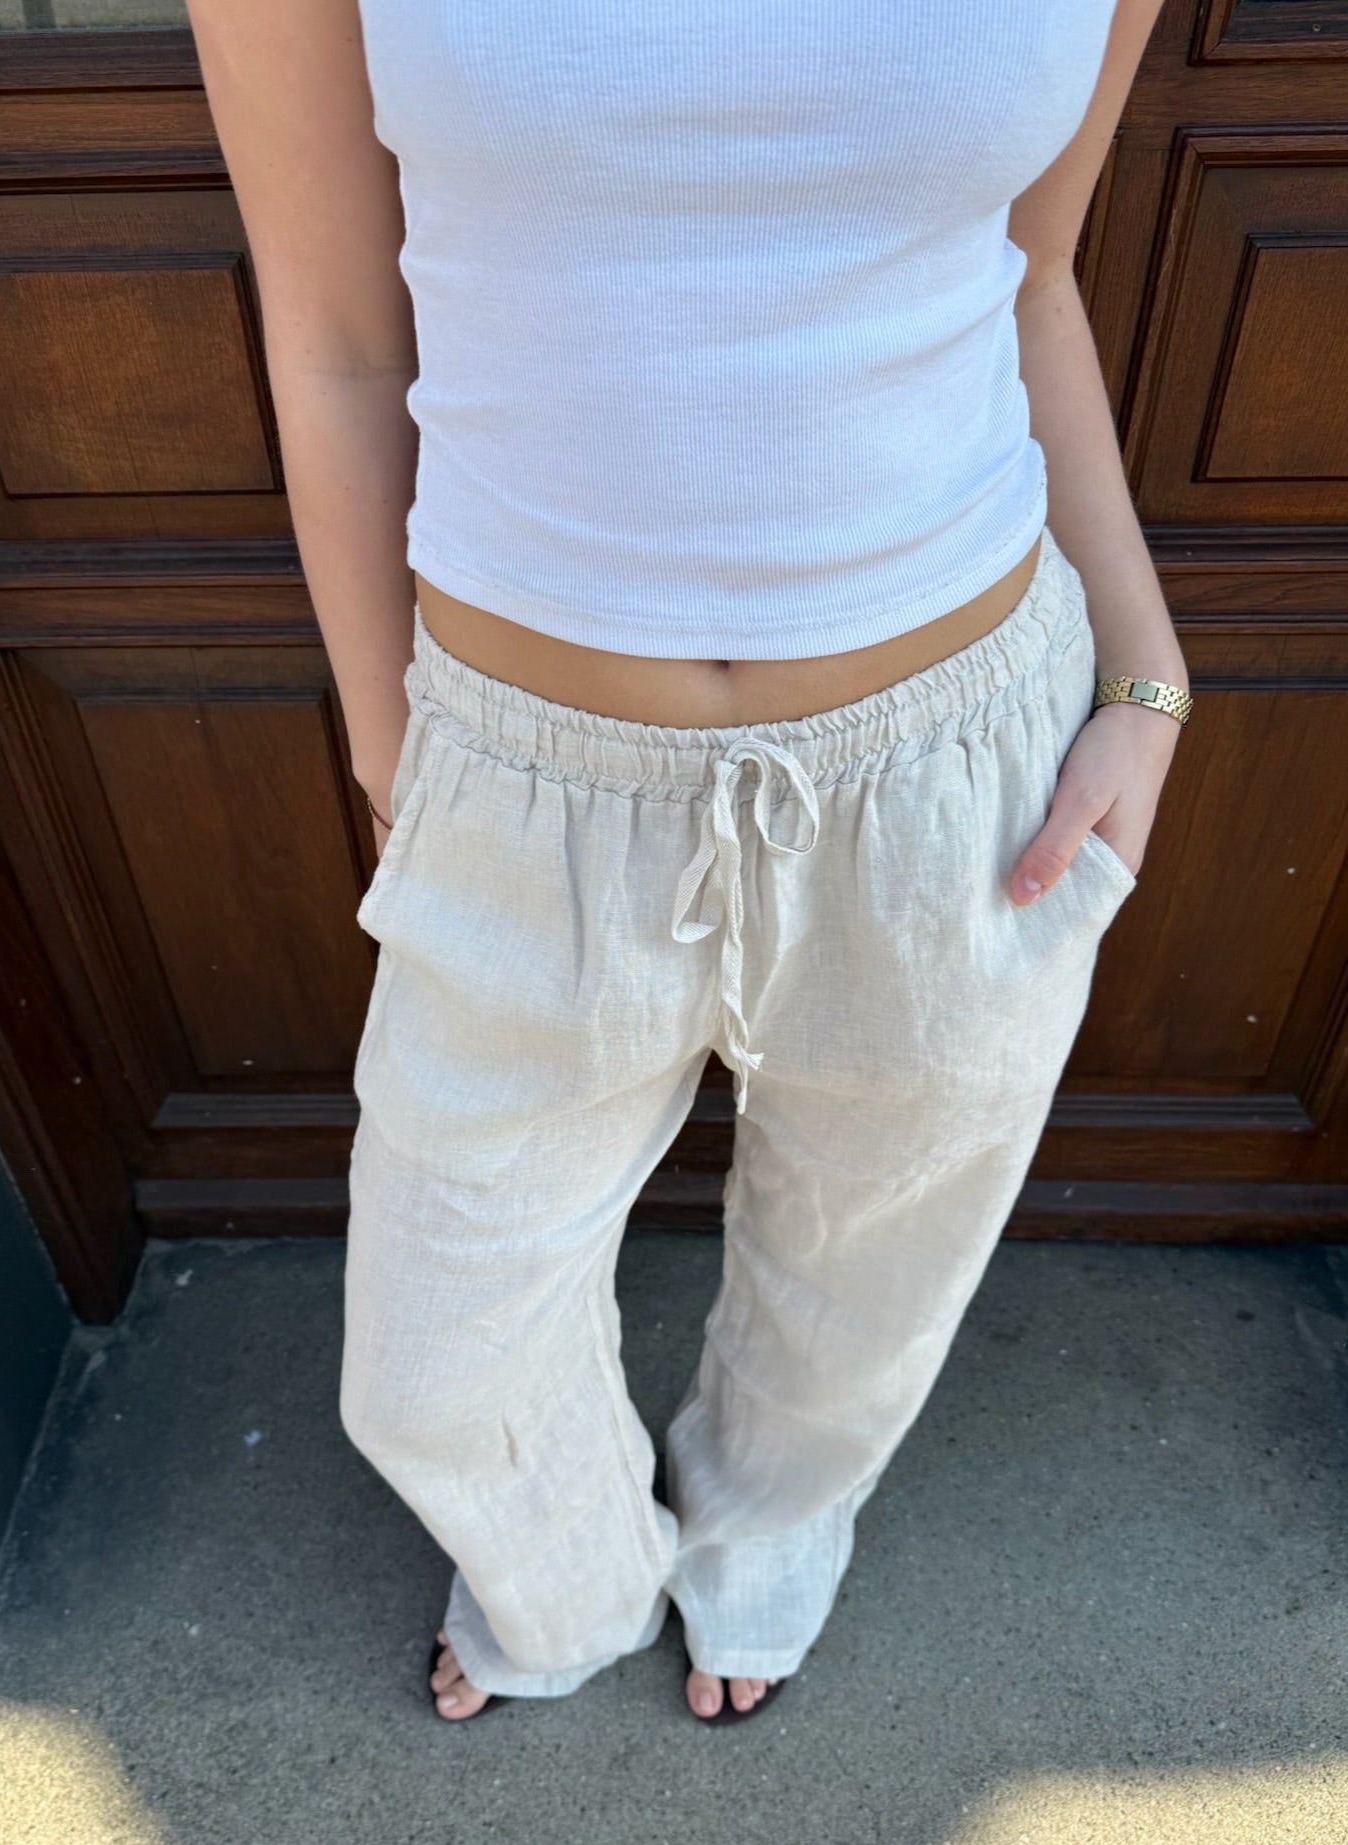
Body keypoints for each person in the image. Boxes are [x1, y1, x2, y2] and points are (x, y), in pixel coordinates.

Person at [186, 0, 1188, 1726]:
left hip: (958, 759)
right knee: (433, 1354)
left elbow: (1032, 274)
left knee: (873, 1258)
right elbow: (339, 336)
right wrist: (388, 739)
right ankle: (567, 1573)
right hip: (524, 772)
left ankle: (765, 1529)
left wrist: (1145, 672)